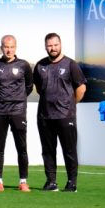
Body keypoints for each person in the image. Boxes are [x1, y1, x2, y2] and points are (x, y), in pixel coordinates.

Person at [33, 32, 86, 192]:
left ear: (60, 44)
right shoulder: (40, 65)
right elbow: (38, 88)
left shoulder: (71, 64)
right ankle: (51, 182)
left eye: (55, 44)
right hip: (45, 116)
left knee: (69, 150)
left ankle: (72, 182)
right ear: (45, 46)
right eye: (49, 45)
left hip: (65, 116)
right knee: (48, 151)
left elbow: (81, 88)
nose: (53, 48)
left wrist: (69, 104)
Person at [0, 35, 33, 192]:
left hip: (18, 111)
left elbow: (29, 86)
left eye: (12, 46)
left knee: (21, 147)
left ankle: (23, 181)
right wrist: (2, 99)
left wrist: (17, 99)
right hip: (0, 111)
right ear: (1, 47)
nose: (9, 49)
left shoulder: (24, 65)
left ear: (16, 47)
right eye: (6, 46)